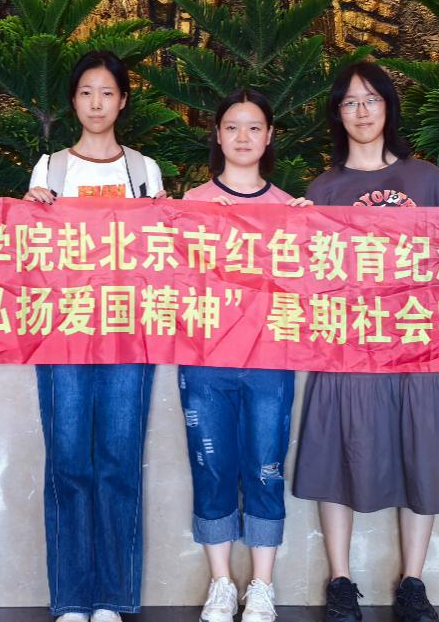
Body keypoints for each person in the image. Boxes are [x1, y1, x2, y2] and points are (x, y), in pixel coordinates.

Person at [290, 62, 439, 622]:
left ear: (389, 107)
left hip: (417, 342)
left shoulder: (427, 180)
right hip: (348, 345)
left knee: (423, 454)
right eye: (349, 102)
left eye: (371, 99)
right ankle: (340, 581)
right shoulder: (323, 189)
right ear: (337, 114)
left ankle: (413, 582)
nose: (361, 111)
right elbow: (303, 274)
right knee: (336, 454)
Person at [24, 49, 166, 622]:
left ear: (123, 100)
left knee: (118, 461)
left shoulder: (144, 171)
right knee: (66, 462)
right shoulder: (51, 169)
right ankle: (70, 599)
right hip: (62, 334)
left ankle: (112, 597)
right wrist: (29, 213)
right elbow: (30, 257)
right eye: (86, 92)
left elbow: (162, 257)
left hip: (130, 335)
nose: (97, 103)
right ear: (73, 101)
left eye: (107, 92)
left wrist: (164, 219)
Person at [179, 91, 295, 622]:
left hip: (271, 357)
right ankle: (222, 583)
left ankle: (262, 585)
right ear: (218, 135)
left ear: (269, 136)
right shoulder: (190, 204)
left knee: (266, 468)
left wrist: (312, 230)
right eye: (232, 127)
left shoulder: (291, 210)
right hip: (206, 358)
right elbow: (167, 279)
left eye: (253, 127)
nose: (242, 137)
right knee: (212, 466)